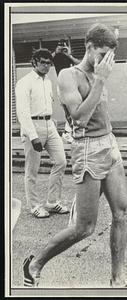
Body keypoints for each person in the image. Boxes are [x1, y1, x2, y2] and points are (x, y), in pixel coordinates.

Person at [23, 24, 127, 288]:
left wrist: (99, 75)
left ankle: (117, 279)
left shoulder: (95, 71)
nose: (107, 61)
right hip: (87, 149)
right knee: (84, 228)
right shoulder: (68, 76)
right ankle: (34, 264)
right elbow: (80, 117)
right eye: (102, 53)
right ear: (90, 46)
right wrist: (101, 79)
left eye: (110, 56)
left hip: (110, 144)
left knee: (122, 213)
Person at [16, 48, 69, 218]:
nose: (46, 66)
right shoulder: (25, 82)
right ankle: (34, 206)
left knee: (61, 161)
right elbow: (22, 112)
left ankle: (52, 202)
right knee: (32, 170)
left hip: (49, 124)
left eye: (49, 63)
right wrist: (33, 136)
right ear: (34, 62)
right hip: (33, 125)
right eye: (43, 62)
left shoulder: (47, 82)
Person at [52, 39, 80, 144]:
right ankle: (68, 133)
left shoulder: (69, 57)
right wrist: (56, 51)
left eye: (64, 46)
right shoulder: (56, 56)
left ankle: (68, 132)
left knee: (73, 109)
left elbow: (79, 64)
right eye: (60, 46)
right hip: (62, 85)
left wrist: (68, 55)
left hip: (72, 85)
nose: (62, 48)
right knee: (67, 109)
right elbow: (47, 59)